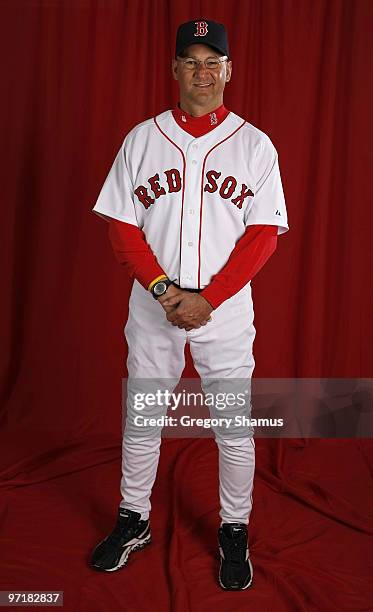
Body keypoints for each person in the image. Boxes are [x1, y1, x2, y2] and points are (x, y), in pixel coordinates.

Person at [89, 19, 289, 591]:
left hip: (223, 311)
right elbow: (124, 228)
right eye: (191, 61)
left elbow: (263, 236)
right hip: (155, 303)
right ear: (174, 68)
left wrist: (209, 300)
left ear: (229, 69)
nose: (202, 72)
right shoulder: (142, 138)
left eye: (213, 61)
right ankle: (133, 519)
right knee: (144, 418)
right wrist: (162, 291)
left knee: (233, 427)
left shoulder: (255, 145)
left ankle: (234, 528)